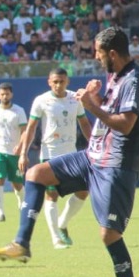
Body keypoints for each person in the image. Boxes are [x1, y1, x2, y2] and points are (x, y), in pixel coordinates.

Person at [0, 28, 139, 277]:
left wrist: (90, 106)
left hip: (116, 165)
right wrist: (96, 98)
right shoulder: (116, 76)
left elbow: (126, 124)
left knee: (109, 234)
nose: (97, 59)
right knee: (37, 173)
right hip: (93, 156)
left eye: (100, 54)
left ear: (112, 54)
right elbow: (110, 112)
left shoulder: (135, 79)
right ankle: (22, 243)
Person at [16, 68, 92, 249]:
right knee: (52, 195)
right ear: (49, 82)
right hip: (50, 155)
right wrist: (23, 153)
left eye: (62, 81)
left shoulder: (75, 99)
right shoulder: (41, 101)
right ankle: (56, 238)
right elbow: (31, 128)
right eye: (55, 82)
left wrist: (94, 145)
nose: (59, 85)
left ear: (68, 82)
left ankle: (62, 223)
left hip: (72, 155)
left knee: (83, 191)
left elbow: (84, 124)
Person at [0, 82, 27, 222]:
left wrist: (21, 147)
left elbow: (24, 131)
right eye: (2, 94)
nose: (5, 96)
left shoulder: (19, 111)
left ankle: (21, 203)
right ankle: (0, 213)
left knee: (17, 183)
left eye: (7, 94)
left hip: (14, 152)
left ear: (11, 95)